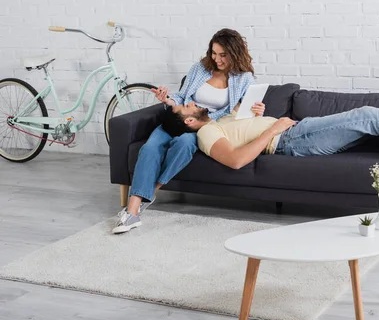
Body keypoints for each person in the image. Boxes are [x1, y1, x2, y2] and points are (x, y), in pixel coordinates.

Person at [162, 65, 379, 171]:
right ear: (189, 122)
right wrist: (272, 128)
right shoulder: (204, 136)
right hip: (292, 142)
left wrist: (258, 115)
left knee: (376, 117)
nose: (190, 103)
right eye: (185, 108)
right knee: (367, 116)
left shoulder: (221, 121)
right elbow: (235, 161)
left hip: (297, 130)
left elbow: (244, 132)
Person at [113, 28, 266, 234]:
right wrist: (167, 99)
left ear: (235, 53)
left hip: (202, 126)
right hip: (178, 118)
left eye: (223, 55)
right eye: (214, 53)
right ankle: (132, 211)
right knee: (150, 148)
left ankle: (149, 193)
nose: (217, 59)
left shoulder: (243, 78)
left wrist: (259, 110)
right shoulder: (200, 69)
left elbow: (245, 109)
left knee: (184, 145)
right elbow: (181, 95)